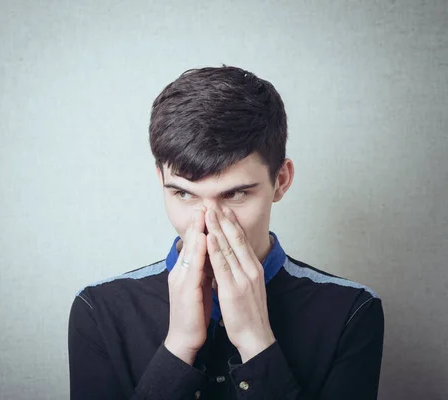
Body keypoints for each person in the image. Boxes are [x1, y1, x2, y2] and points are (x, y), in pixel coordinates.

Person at [68, 66, 384, 399]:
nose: (207, 222)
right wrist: (178, 347)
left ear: (281, 180)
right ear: (160, 180)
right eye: (184, 194)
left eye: (235, 194)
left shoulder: (352, 310)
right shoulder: (98, 310)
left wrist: (255, 341)